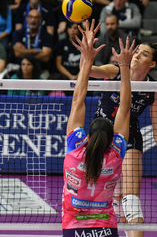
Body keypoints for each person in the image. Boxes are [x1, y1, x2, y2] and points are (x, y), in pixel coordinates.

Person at [74, 26, 157, 237]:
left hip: (129, 138)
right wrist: (87, 52)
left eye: (143, 54)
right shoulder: (115, 71)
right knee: (109, 201)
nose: (137, 55)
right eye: (136, 51)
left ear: (152, 64)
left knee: (131, 202)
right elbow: (88, 70)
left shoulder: (153, 90)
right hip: (100, 135)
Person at [62, 19, 132, 237]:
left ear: (87, 136)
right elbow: (125, 109)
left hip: (74, 228)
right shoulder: (115, 154)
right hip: (106, 229)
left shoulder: (76, 149)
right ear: (112, 139)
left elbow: (77, 100)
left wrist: (87, 59)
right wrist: (124, 67)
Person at [12, 9, 54, 77]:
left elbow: (45, 57)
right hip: (21, 69)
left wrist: (25, 52)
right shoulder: (18, 34)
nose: (33, 20)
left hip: (41, 70)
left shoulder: (47, 36)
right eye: (30, 17)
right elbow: (18, 53)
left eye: (36, 17)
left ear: (41, 20)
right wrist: (37, 51)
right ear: (26, 19)